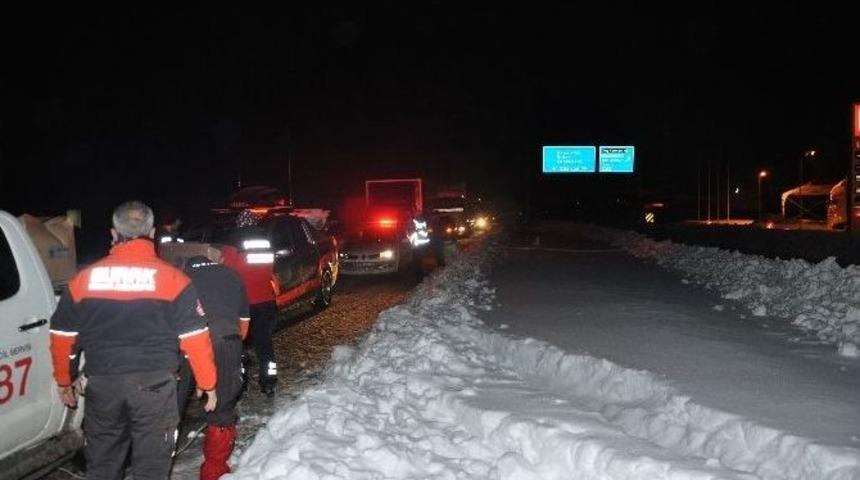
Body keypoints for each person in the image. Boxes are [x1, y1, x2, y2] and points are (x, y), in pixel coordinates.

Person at [49, 200, 218, 480]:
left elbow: (62, 336)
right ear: (152, 233)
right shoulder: (175, 279)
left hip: (103, 386)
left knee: (102, 466)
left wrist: (64, 380)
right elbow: (196, 338)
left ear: (113, 234)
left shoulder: (83, 280)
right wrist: (208, 383)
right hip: (154, 389)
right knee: (151, 469)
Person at [177, 254, 249, 480]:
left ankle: (156, 463)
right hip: (225, 339)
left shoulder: (180, 277)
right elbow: (244, 325)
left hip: (185, 344)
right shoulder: (232, 276)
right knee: (223, 408)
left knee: (170, 406)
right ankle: (214, 470)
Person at [221, 235, 278, 397]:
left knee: (239, 345)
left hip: (243, 304)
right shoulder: (267, 243)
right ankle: (269, 382)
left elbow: (225, 271)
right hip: (266, 302)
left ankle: (241, 382)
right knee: (265, 345)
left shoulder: (234, 245)